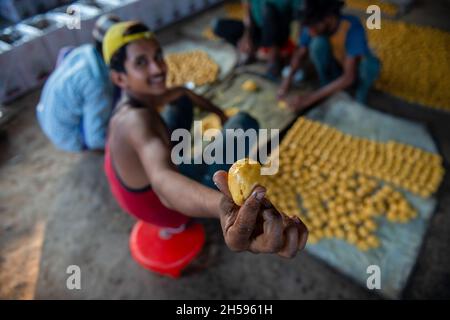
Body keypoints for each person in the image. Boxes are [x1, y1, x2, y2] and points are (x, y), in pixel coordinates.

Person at [102, 21, 308, 274]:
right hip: (164, 206)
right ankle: (182, 221)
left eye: (158, 56)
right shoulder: (137, 121)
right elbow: (164, 181)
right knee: (244, 123)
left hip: (141, 193)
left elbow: (181, 93)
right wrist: (223, 207)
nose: (157, 68)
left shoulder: (133, 98)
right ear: (120, 77)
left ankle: (204, 158)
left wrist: (219, 113)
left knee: (181, 103)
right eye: (141, 62)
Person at [36, 14, 120, 152]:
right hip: (68, 136)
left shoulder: (83, 51)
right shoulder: (98, 82)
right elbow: (95, 139)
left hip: (45, 118)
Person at [278, 0, 381, 111]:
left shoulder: (351, 27)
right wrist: (286, 82)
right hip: (335, 69)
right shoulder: (312, 27)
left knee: (370, 65)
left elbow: (349, 77)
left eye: (312, 26)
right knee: (317, 44)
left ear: (328, 19)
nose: (310, 32)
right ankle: (326, 84)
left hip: (354, 72)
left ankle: (360, 94)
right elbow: (299, 54)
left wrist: (310, 99)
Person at [213, 0, 303, 79]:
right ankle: (255, 52)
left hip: (277, 36)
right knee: (218, 26)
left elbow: (301, 21)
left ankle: (272, 56)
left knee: (268, 10)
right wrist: (247, 37)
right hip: (257, 30)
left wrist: (298, 48)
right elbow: (249, 15)